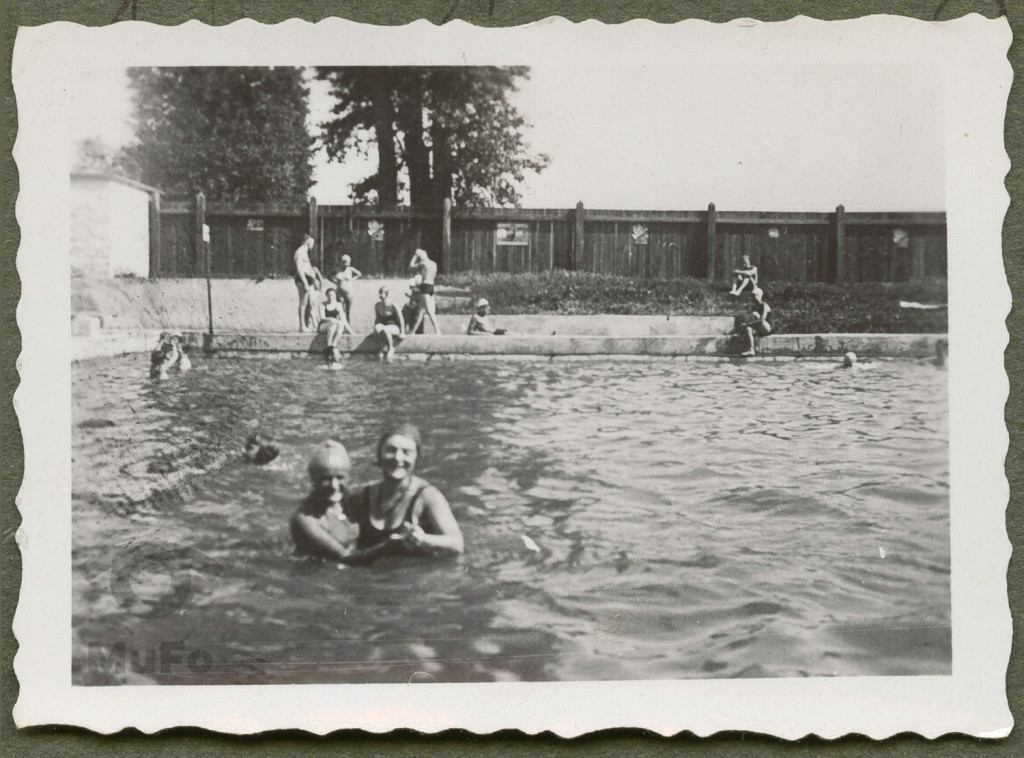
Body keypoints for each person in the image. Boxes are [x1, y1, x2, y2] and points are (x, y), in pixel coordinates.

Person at [340, 424, 463, 564]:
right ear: (379, 454)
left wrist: (424, 539)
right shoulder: (362, 496)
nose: (398, 458)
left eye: (406, 452)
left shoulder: (428, 496)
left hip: (412, 578)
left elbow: (457, 543)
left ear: (416, 457)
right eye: (391, 450)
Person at [290, 440, 359, 562]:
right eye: (326, 479)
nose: (334, 485)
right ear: (313, 480)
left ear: (348, 478)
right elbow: (346, 558)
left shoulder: (353, 502)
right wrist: (389, 546)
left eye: (340, 477)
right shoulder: (304, 519)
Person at [293, 234, 324, 332]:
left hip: (308, 279)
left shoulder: (305, 252)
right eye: (312, 243)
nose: (313, 245)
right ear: (308, 241)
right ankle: (302, 326)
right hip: (303, 279)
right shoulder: (300, 252)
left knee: (309, 303)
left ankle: (311, 326)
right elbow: (299, 268)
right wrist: (305, 282)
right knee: (303, 303)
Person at [319, 287, 354, 369]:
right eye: (329, 295)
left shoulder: (338, 305)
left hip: (334, 326)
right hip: (323, 326)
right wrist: (331, 319)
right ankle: (329, 346)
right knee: (333, 325)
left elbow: (343, 319)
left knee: (340, 324)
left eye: (332, 295)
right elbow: (322, 317)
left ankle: (332, 347)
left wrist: (350, 331)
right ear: (326, 296)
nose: (330, 297)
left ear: (335, 296)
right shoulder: (323, 304)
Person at [409, 248, 442, 334]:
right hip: (431, 286)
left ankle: (437, 330)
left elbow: (411, 266)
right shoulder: (433, 264)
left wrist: (414, 256)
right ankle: (413, 331)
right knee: (420, 311)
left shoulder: (422, 263)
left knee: (429, 310)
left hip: (425, 287)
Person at [733, 287, 772, 356]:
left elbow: (761, 320)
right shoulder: (754, 307)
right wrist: (746, 325)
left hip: (766, 327)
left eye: (753, 296)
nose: (752, 298)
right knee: (748, 329)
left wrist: (747, 324)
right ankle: (751, 350)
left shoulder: (764, 305)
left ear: (758, 296)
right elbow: (753, 320)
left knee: (751, 324)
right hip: (758, 327)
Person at [373, 285, 405, 361]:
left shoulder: (393, 305)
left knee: (385, 329)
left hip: (394, 326)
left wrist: (403, 332)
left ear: (386, 294)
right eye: (379, 293)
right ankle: (380, 348)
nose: (380, 295)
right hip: (384, 325)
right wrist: (375, 328)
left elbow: (401, 319)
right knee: (377, 328)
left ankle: (391, 348)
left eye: (382, 293)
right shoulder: (378, 305)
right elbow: (377, 318)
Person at [329, 254, 362, 323]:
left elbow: (359, 274)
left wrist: (352, 280)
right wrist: (335, 282)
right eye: (343, 261)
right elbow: (328, 276)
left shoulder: (350, 269)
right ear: (341, 262)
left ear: (349, 263)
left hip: (349, 292)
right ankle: (339, 324)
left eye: (346, 262)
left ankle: (347, 326)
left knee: (348, 311)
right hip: (339, 292)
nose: (345, 263)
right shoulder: (337, 270)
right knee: (340, 309)